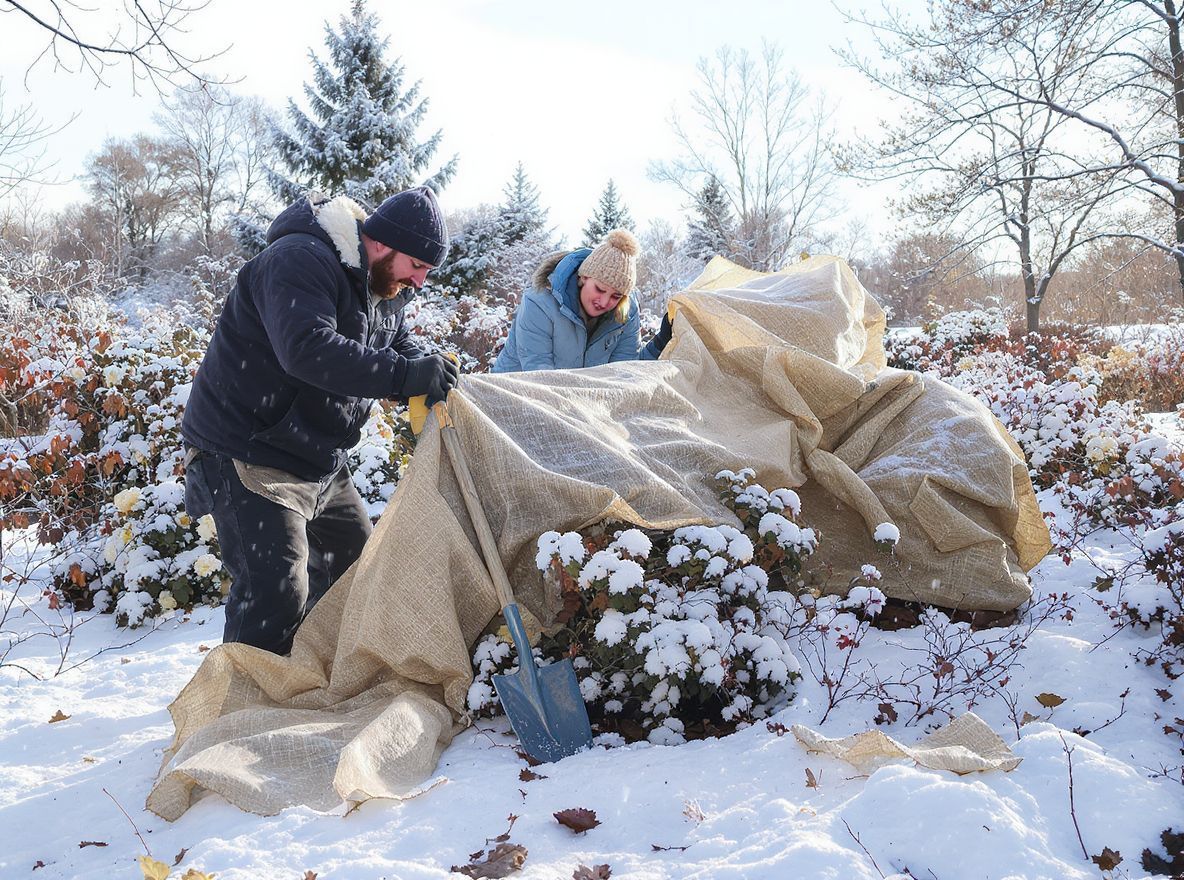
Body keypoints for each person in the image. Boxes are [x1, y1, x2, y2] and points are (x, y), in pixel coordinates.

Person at [181, 186, 458, 655]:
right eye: (417, 266)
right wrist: (403, 375)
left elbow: (395, 340)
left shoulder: (380, 284)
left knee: (354, 570)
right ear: (384, 243)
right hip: (248, 449)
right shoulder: (300, 259)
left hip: (316, 457)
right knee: (275, 591)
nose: (420, 282)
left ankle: (310, 683)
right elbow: (306, 350)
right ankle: (245, 714)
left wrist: (429, 372)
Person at [491, 228, 672, 372]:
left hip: (573, 403)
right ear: (583, 278)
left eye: (616, 296)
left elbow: (623, 373)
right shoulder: (540, 303)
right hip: (511, 398)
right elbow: (538, 375)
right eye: (599, 289)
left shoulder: (625, 314)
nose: (604, 301)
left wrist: (660, 343)